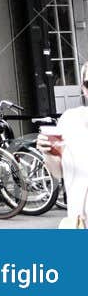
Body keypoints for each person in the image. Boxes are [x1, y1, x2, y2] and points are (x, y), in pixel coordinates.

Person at [49, 76, 88, 228]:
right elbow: (57, 172)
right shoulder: (69, 119)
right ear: (83, 88)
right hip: (79, 223)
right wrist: (49, 153)